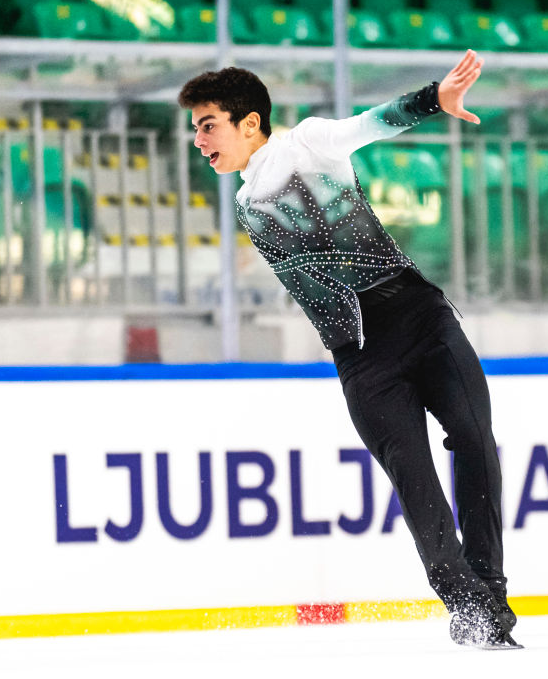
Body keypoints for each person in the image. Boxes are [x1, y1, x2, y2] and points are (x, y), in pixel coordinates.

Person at [178, 50, 519, 649]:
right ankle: (465, 603)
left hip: (419, 316)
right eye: (195, 129)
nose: (198, 139)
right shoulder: (242, 200)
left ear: (249, 122)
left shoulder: (307, 144)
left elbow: (370, 123)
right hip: (360, 355)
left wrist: (429, 100)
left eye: (208, 125)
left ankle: (489, 591)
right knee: (413, 478)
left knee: (473, 437)